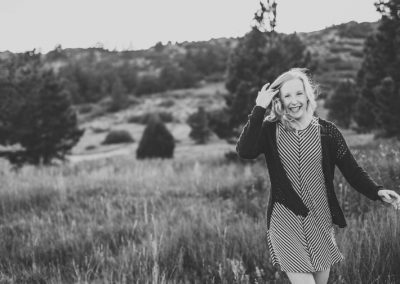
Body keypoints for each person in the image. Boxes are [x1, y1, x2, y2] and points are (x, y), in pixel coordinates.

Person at [235, 68, 400, 284]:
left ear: (307, 95)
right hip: (285, 218)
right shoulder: (269, 130)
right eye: (287, 95)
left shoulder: (328, 132)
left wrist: (377, 191)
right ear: (279, 100)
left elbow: (352, 171)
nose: (294, 101)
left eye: (298, 93)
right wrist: (258, 109)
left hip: (321, 219)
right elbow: (245, 151)